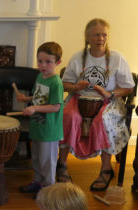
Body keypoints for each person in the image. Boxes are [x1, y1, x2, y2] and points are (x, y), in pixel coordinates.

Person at [57, 18, 135, 191]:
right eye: (96, 34)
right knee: (68, 117)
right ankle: (61, 164)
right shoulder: (77, 58)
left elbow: (128, 87)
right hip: (79, 98)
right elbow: (65, 83)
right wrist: (76, 87)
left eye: (104, 35)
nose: (101, 38)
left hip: (109, 101)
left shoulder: (117, 58)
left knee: (103, 121)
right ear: (87, 37)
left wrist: (110, 93)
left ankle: (106, 170)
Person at [18, 42, 64, 197]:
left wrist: (34, 108)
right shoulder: (40, 76)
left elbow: (55, 106)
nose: (43, 65)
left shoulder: (56, 82)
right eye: (40, 61)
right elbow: (39, 97)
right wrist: (27, 98)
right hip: (38, 126)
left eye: (48, 61)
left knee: (47, 162)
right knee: (37, 159)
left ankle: (49, 190)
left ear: (58, 62)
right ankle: (38, 182)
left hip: (49, 131)